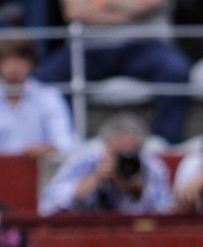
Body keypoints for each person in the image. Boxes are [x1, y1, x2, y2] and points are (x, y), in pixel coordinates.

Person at [34, 0, 191, 145]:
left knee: (175, 71)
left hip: (146, 44)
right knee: (45, 78)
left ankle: (166, 145)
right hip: (90, 48)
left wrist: (99, 4)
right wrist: (126, 13)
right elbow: (75, 11)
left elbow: (146, 4)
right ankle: (69, 144)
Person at [38, 111, 173, 214]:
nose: (124, 160)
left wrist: (139, 191)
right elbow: (47, 206)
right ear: (105, 147)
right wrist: (94, 179)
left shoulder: (151, 167)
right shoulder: (86, 161)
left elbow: (167, 215)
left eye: (130, 153)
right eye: (117, 154)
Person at [0, 35, 76, 158]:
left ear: (31, 62)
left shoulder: (50, 98)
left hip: (45, 172)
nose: (13, 68)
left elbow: (65, 145)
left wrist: (46, 150)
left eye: (20, 60)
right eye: (6, 60)